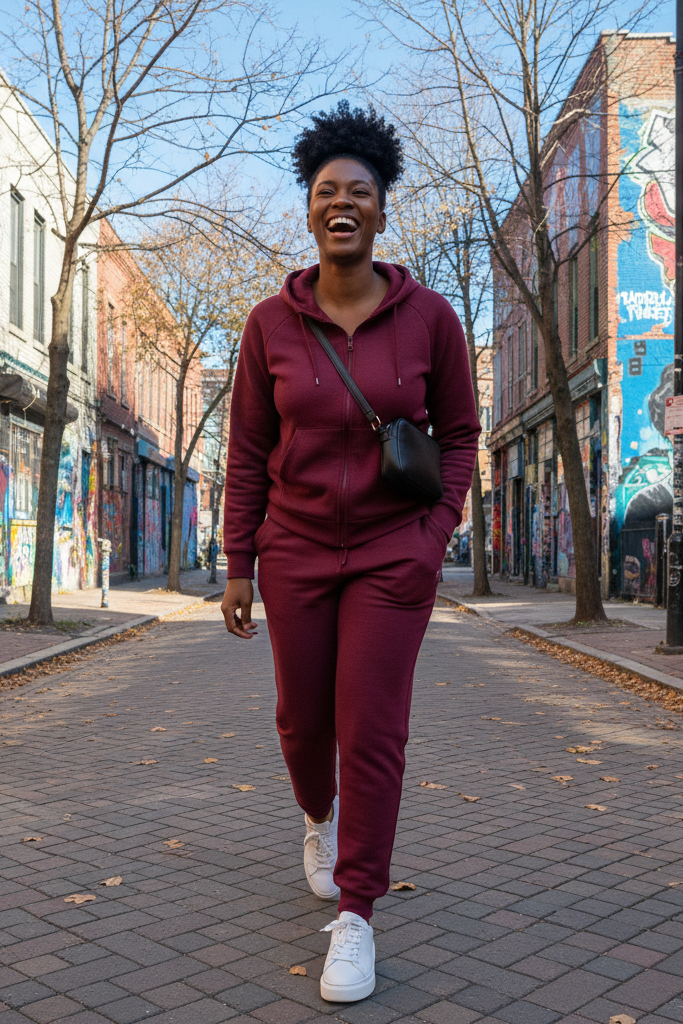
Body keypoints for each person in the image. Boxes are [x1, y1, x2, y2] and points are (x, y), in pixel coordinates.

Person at [221, 101, 480, 1004]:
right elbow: (247, 451)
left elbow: (458, 435)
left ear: (381, 210)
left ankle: (358, 915)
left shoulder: (430, 319)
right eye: (326, 190)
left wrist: (431, 536)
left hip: (387, 558)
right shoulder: (268, 325)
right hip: (290, 550)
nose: (342, 203)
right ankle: (316, 820)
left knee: (372, 730)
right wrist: (236, 565)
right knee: (303, 722)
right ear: (307, 209)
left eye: (359, 192)